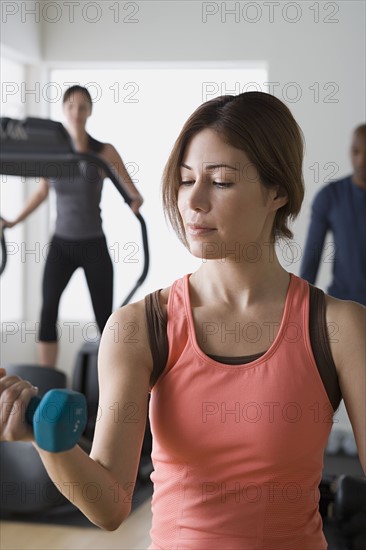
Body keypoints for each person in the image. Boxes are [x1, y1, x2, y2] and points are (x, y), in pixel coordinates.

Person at [0, 92, 365, 549]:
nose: (194, 201)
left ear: (278, 191)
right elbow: (111, 505)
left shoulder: (339, 328)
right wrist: (48, 439)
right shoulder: (138, 327)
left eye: (222, 182)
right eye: (187, 179)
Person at [1, 85, 144, 368]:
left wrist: (134, 202)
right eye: (71, 107)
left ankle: (111, 384)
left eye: (82, 107)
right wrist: (14, 221)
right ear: (64, 110)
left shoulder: (103, 152)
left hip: (93, 244)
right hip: (62, 244)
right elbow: (43, 192)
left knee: (106, 318)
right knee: (48, 312)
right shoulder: (53, 153)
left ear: (89, 111)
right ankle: (46, 385)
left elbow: (132, 192)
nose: (76, 112)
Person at [300, 124, 366, 305]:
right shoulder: (330, 196)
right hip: (344, 306)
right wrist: (300, 307)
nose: (361, 160)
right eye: (356, 151)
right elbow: (312, 258)